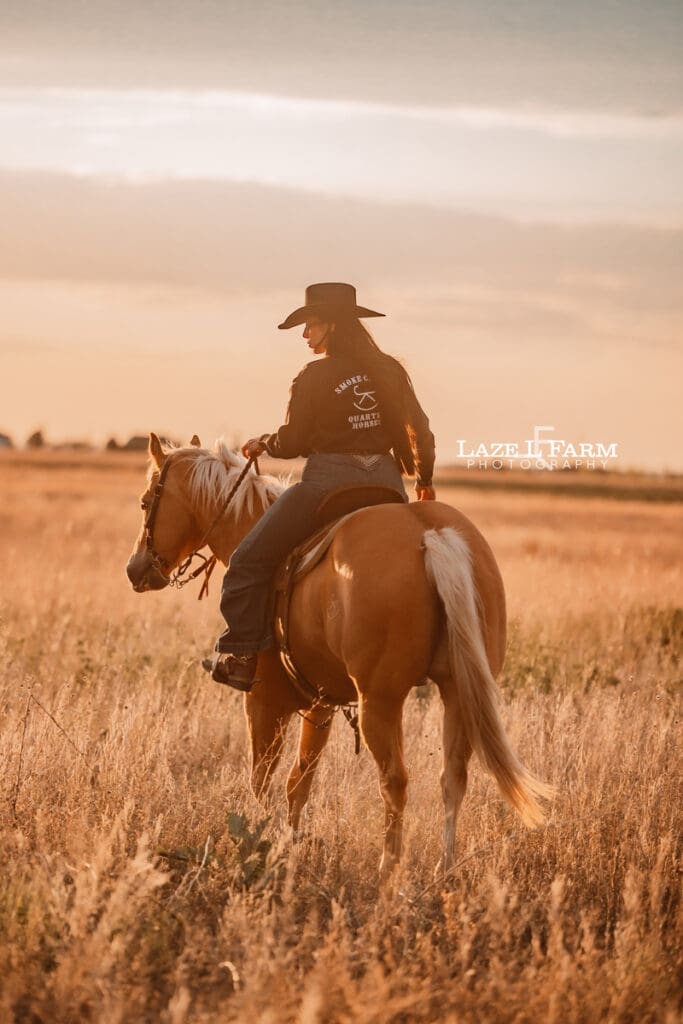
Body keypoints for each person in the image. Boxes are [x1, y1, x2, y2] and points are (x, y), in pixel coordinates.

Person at [203, 282, 436, 690]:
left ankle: (241, 655)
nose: (305, 334)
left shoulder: (313, 377)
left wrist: (265, 443)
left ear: (331, 325)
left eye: (310, 324)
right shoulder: (390, 371)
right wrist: (426, 480)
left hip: (327, 489)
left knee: (246, 563)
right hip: (387, 487)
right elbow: (421, 429)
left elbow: (294, 443)